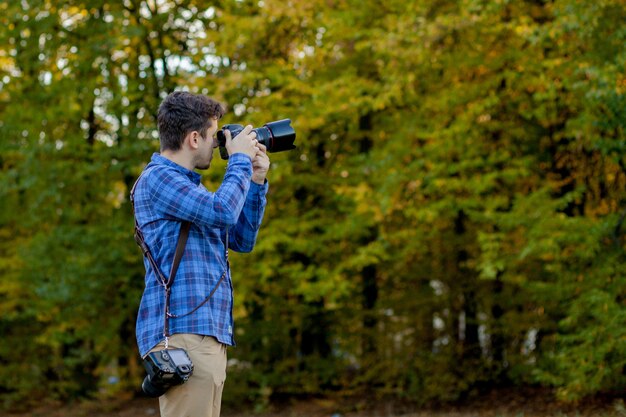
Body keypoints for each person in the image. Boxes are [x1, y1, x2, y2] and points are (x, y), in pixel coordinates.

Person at [131, 91, 270, 417]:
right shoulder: (159, 179)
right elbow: (223, 211)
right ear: (194, 138)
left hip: (205, 334)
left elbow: (241, 238)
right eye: (214, 135)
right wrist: (238, 160)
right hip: (184, 336)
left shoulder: (191, 189)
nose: (219, 144)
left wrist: (256, 180)